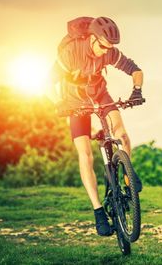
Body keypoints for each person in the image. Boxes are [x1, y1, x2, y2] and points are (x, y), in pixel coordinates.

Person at [47, 16, 143, 236]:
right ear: (92, 38)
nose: (104, 51)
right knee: (86, 154)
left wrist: (136, 90)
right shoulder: (71, 53)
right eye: (101, 45)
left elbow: (135, 70)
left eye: (109, 47)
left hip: (100, 94)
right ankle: (98, 211)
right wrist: (58, 103)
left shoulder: (108, 51)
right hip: (73, 102)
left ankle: (127, 179)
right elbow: (48, 81)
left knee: (122, 136)